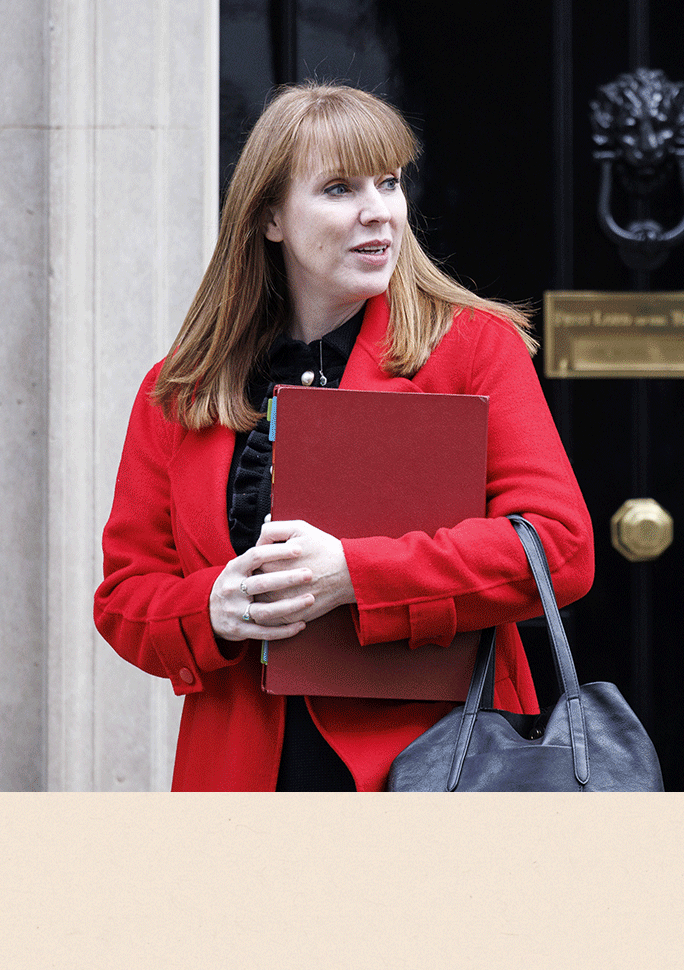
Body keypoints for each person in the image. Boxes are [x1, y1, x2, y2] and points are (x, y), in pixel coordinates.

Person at [93, 82, 593, 791]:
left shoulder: (475, 349)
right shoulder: (182, 389)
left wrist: (355, 576)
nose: (378, 211)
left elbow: (560, 546)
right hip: (244, 773)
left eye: (388, 183)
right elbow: (124, 597)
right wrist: (211, 606)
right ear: (270, 217)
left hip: (439, 765)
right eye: (338, 188)